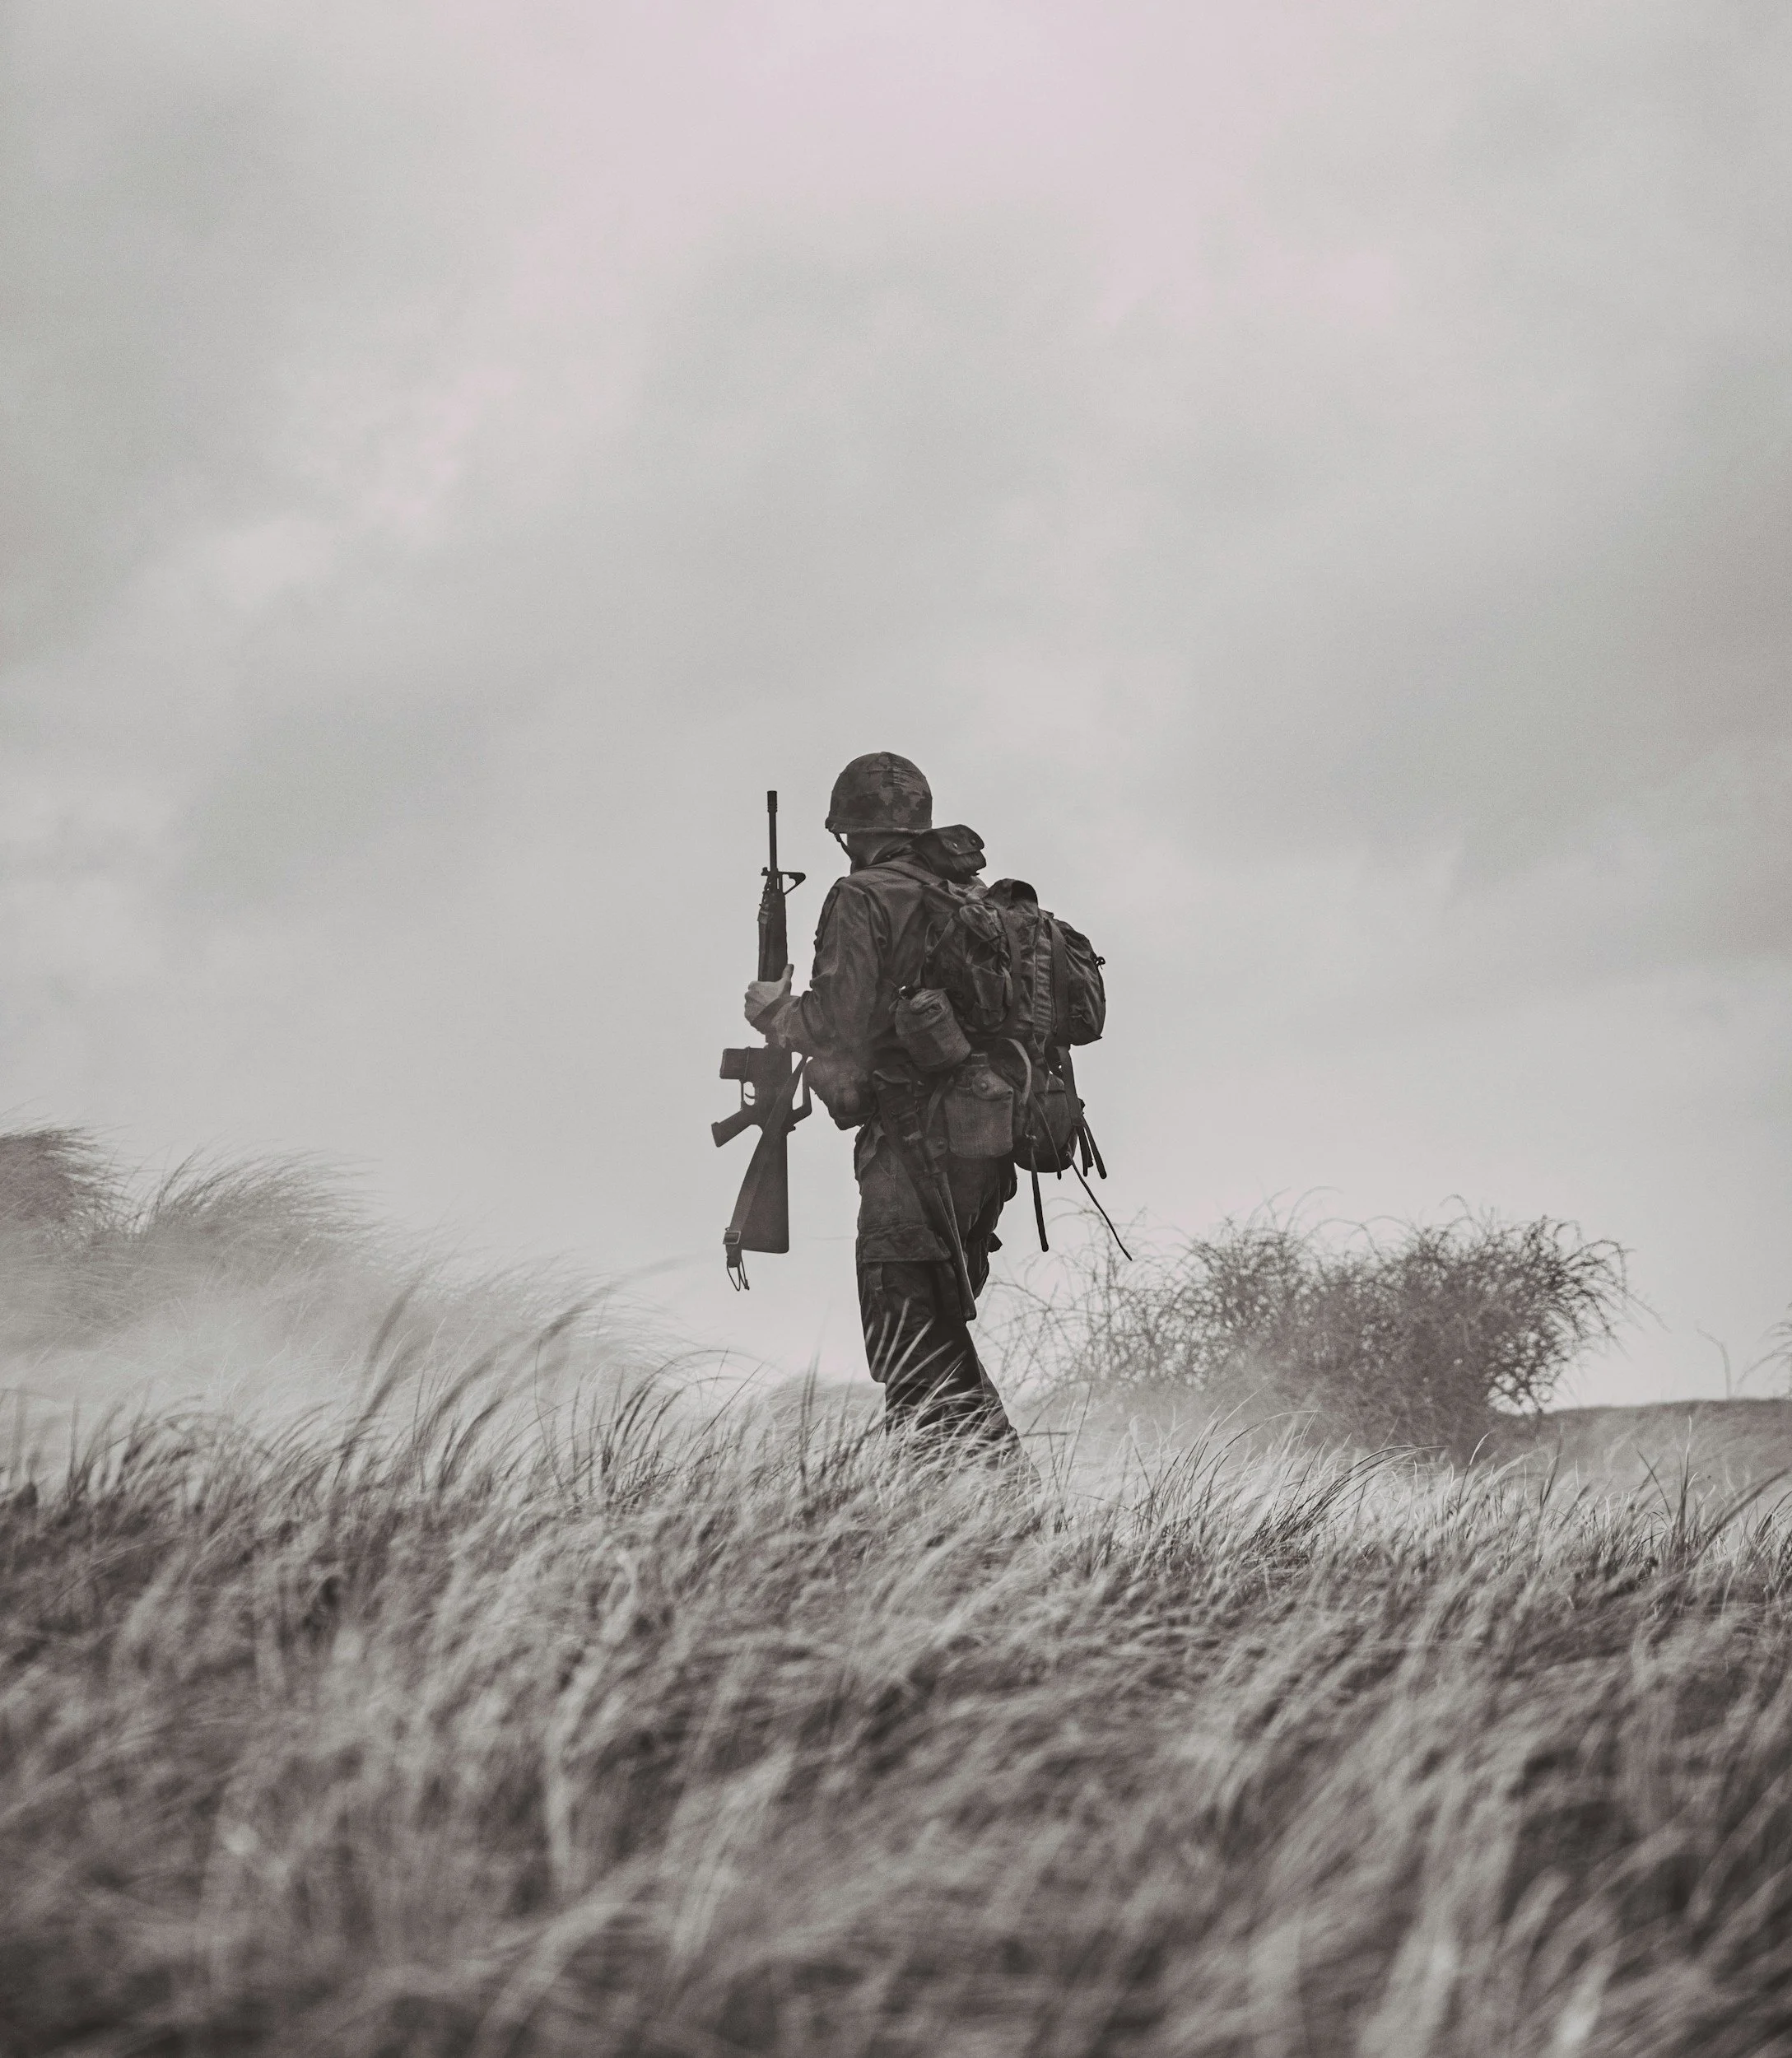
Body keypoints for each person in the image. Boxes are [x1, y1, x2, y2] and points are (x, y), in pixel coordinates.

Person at [742, 752, 1024, 1454]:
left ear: (847, 830)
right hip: (982, 1143)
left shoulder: (862, 894)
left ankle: (980, 1493)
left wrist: (776, 1013)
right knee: (931, 1325)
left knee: (907, 1333)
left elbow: (841, 1018)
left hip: (912, 1142)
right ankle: (953, 1499)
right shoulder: (967, 894)